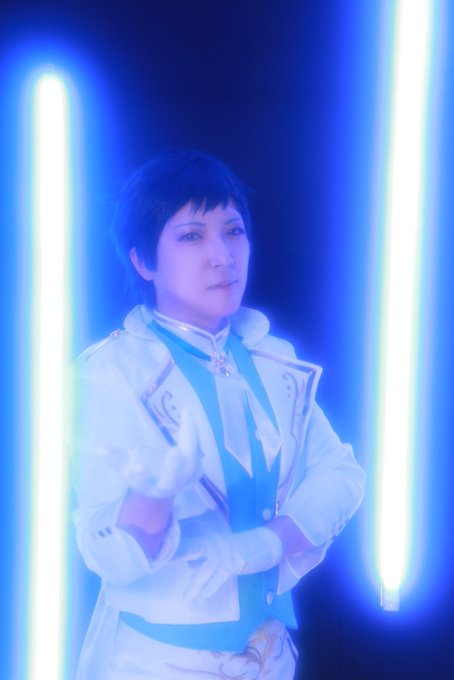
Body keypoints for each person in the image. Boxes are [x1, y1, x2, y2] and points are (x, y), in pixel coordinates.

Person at [72, 149, 365, 679]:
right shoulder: (110, 373)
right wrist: (153, 496)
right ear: (143, 261)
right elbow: (109, 558)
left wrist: (266, 544)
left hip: (270, 658)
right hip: (157, 664)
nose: (223, 256)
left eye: (233, 231)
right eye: (191, 236)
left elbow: (342, 476)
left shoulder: (271, 360)